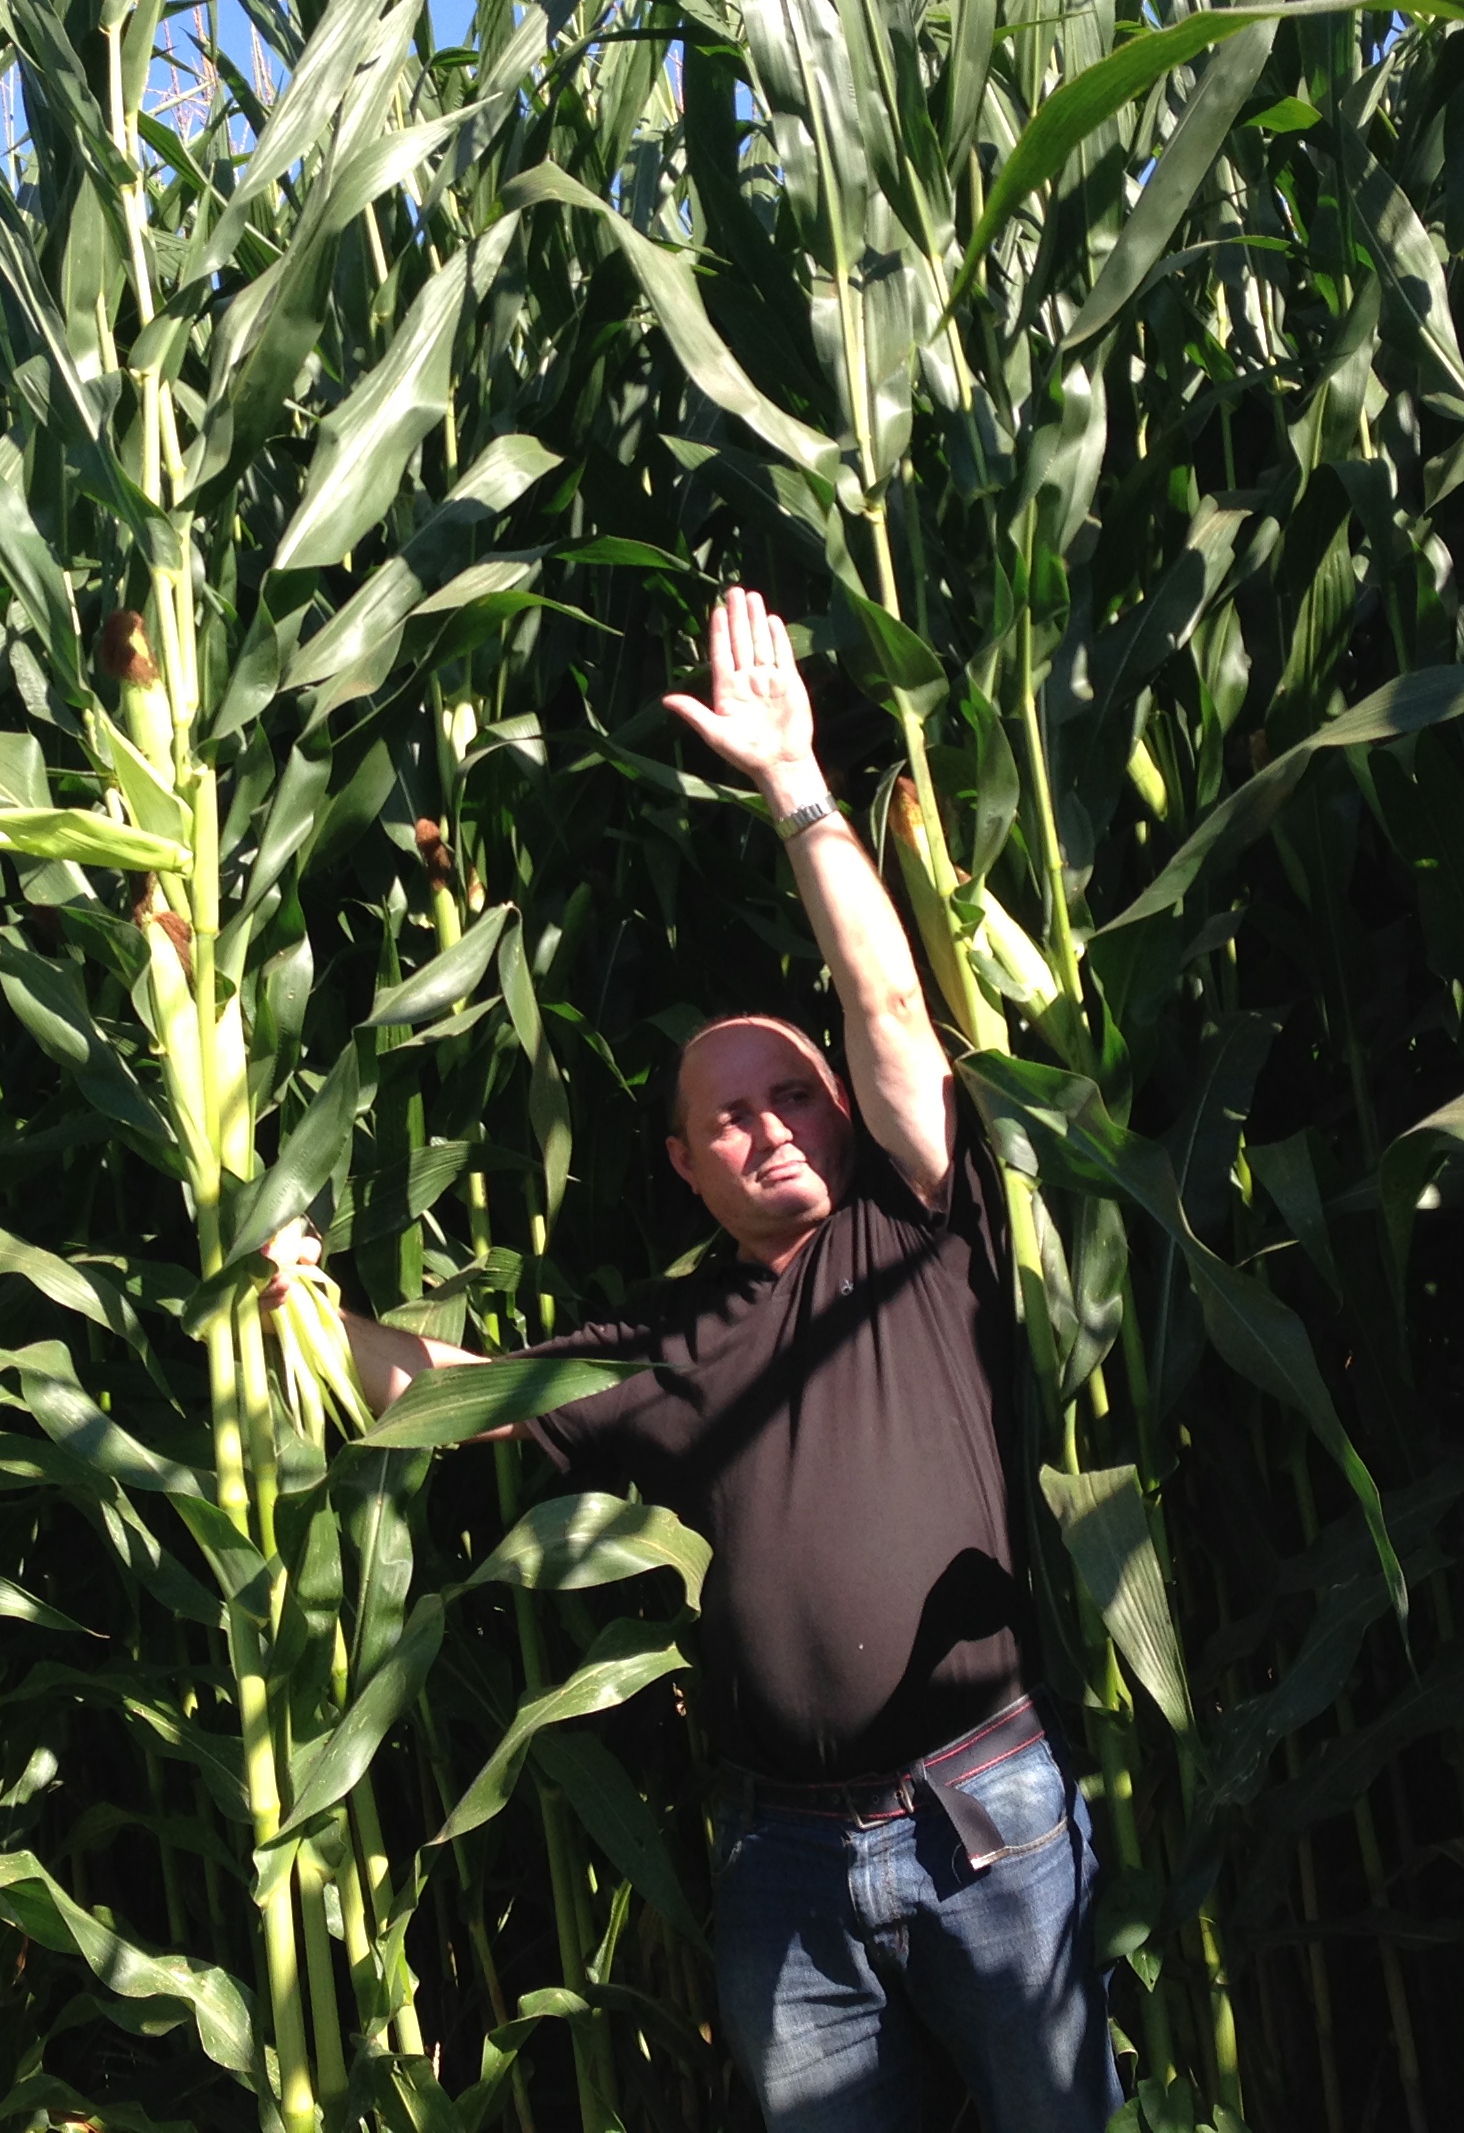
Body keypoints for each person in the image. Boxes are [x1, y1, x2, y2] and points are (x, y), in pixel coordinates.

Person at [279, 586, 1120, 2132]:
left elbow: (884, 1002)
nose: (769, 1127)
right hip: (788, 1867)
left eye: (795, 1097)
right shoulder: (676, 1349)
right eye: (727, 1116)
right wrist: (296, 1303)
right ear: (685, 1167)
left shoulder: (921, 1236)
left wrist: (795, 785)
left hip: (984, 1820)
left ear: (848, 1114)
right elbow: (450, 1395)